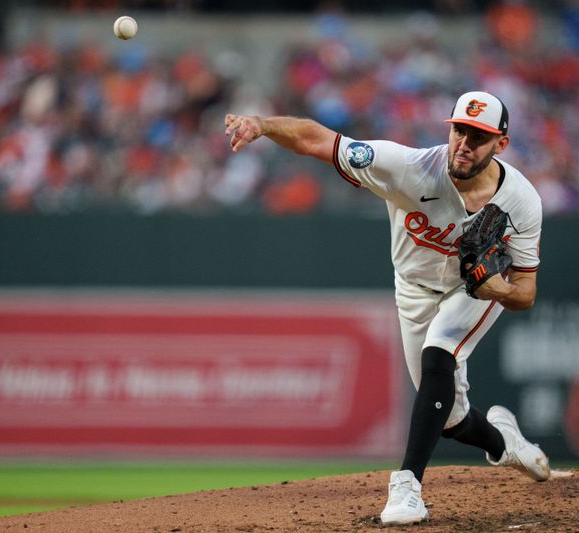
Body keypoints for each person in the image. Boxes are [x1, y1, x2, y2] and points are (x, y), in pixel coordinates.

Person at [224, 90, 550, 526]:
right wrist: (262, 125)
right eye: (459, 131)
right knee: (449, 417)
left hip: (472, 291)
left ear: (501, 145)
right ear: (449, 129)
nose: (465, 144)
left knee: (440, 355)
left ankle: (407, 487)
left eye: (479, 136)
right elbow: (318, 140)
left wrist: (496, 288)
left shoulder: (522, 201)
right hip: (413, 289)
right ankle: (503, 444)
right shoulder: (408, 167)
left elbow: (525, 292)